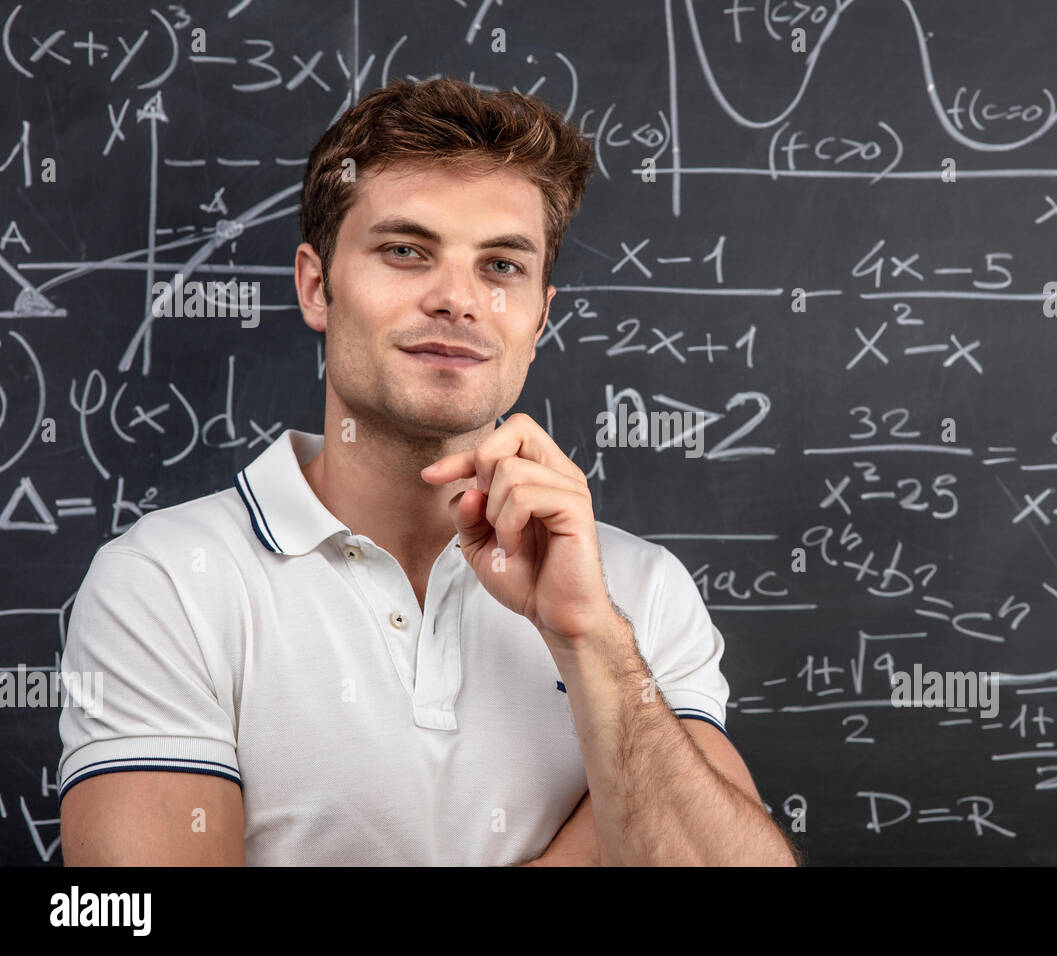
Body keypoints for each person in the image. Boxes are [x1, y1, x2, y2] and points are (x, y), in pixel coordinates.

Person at [57, 77, 799, 866]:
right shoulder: (166, 580)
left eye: (502, 265)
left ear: (540, 316)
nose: (458, 299)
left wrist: (588, 641)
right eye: (406, 251)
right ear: (318, 285)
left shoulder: (635, 594)